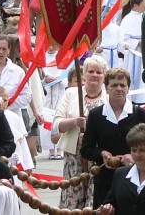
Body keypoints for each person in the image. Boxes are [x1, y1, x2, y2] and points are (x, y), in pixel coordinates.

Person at [81, 68, 145, 208]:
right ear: (106, 88)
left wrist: (133, 157)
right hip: (105, 181)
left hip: (134, 178)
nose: (118, 89)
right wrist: (101, 154)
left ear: (128, 88)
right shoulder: (95, 115)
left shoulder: (141, 114)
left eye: (122, 85)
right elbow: (86, 149)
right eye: (114, 85)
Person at [53, 55, 108, 208]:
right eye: (91, 71)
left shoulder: (108, 98)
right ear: (84, 74)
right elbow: (56, 124)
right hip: (73, 154)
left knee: (94, 193)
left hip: (98, 154)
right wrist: (74, 122)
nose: (94, 75)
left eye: (99, 72)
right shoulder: (71, 94)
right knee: (73, 192)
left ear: (104, 76)